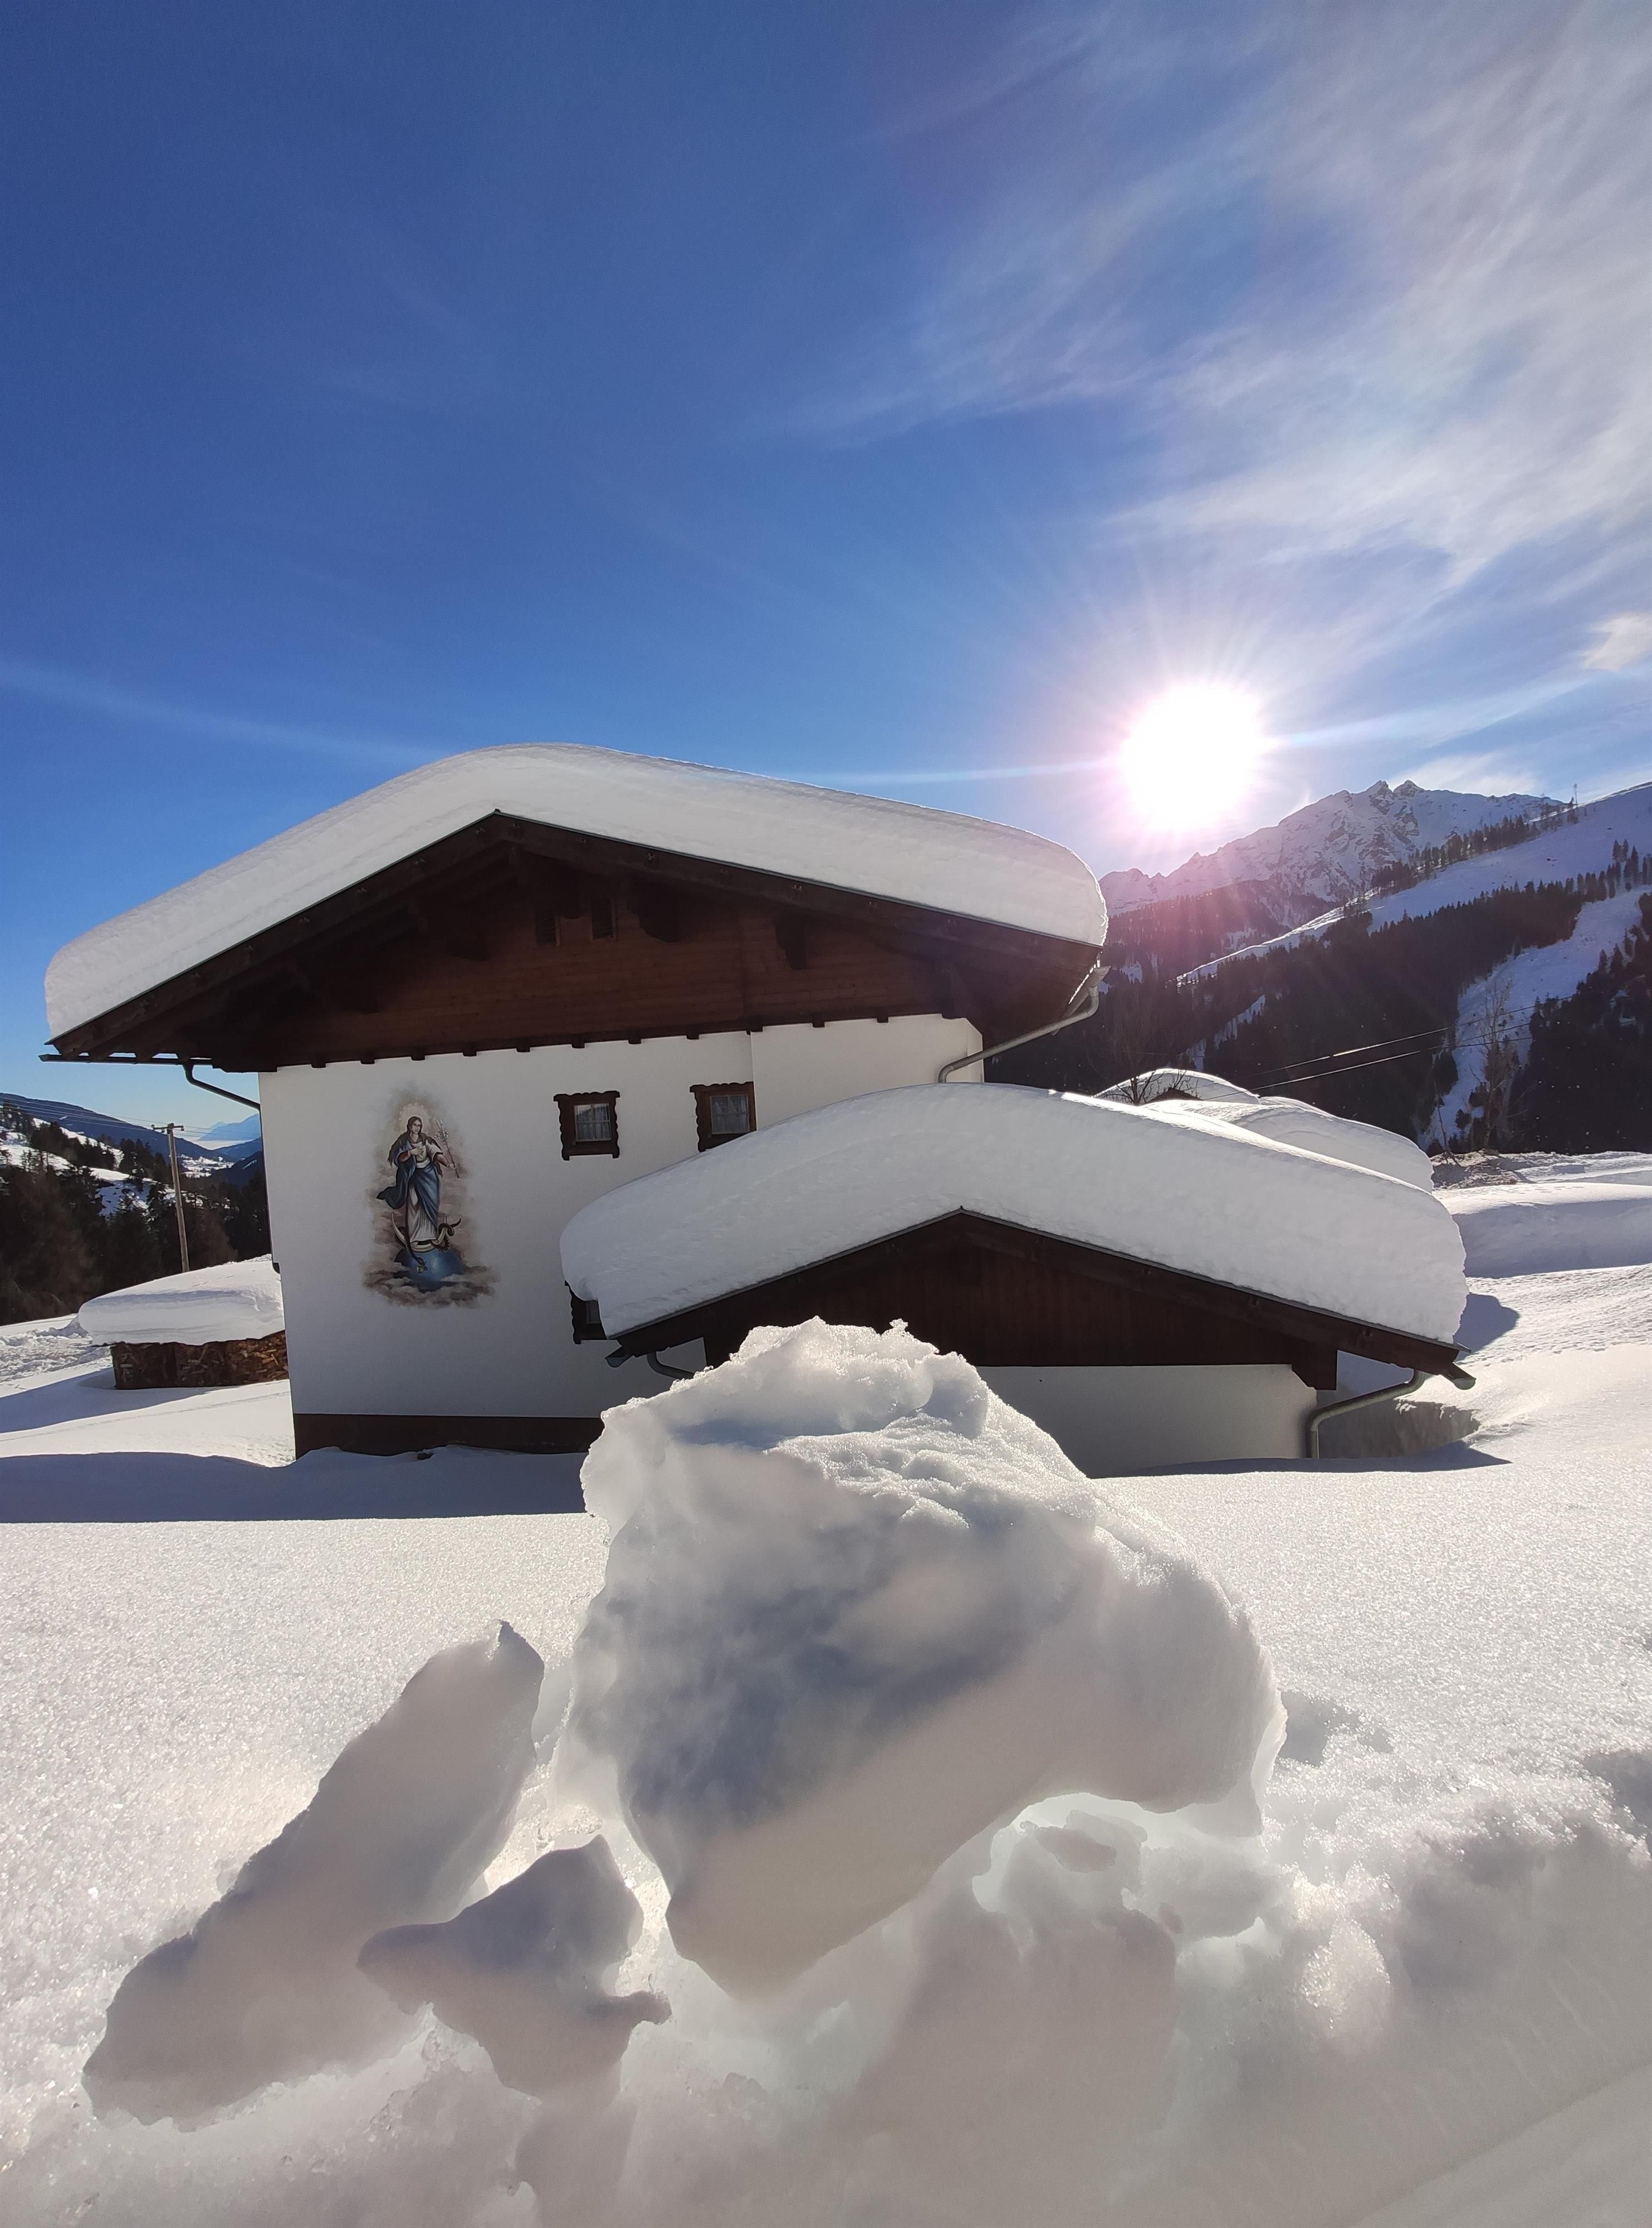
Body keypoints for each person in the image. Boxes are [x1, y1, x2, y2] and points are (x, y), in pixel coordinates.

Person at [377, 1114, 456, 1261]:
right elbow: (398, 1158)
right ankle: (414, 1237)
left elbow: (436, 1154)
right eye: (415, 1125)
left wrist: (448, 1164)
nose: (417, 1128)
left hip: (428, 1176)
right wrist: (411, 1153)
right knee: (414, 1205)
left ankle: (431, 1235)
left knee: (430, 1205)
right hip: (413, 1176)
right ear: (409, 1126)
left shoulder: (426, 1141)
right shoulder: (404, 1141)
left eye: (419, 1125)